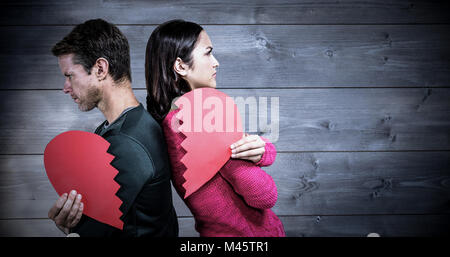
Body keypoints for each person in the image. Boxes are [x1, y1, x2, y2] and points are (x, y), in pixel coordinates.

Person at [145, 19, 285, 236]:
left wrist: (264, 150)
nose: (216, 62)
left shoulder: (169, 121)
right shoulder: (201, 115)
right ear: (181, 66)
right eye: (208, 53)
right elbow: (264, 195)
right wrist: (264, 151)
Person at [47, 19, 178, 237]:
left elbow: (93, 231)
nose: (65, 88)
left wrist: (72, 227)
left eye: (70, 75)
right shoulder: (127, 126)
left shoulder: (126, 142)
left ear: (100, 68)